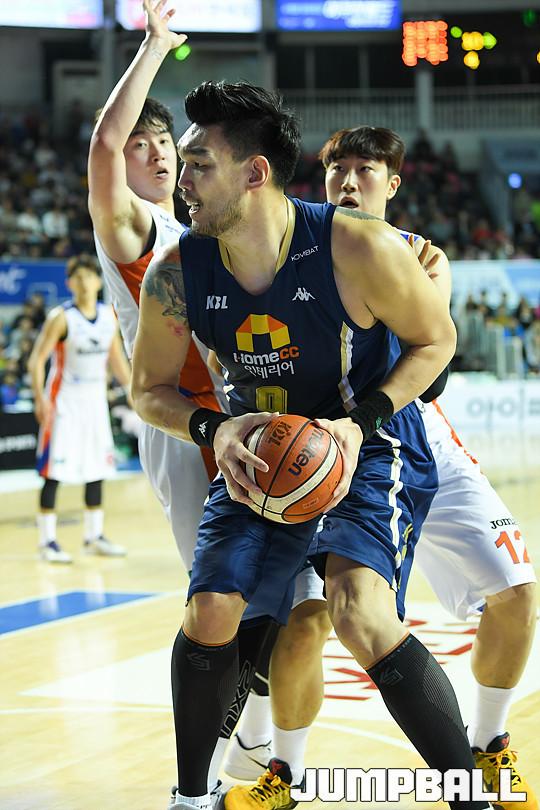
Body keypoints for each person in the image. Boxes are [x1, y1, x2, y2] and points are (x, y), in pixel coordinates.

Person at [130, 79, 498, 810]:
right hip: (258, 452)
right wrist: (213, 427)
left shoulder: (356, 245)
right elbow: (149, 390)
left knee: (359, 611)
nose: (182, 181)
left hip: (364, 442)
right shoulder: (176, 271)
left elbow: (436, 341)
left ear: (255, 172)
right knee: (210, 611)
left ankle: (469, 796)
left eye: (199, 164)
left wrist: (361, 423)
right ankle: (192, 797)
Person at [229, 126, 538, 810]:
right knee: (308, 618)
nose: (348, 180)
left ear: (392, 184)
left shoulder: (421, 255)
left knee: (518, 592)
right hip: (323, 448)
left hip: (415, 436)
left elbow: (433, 379)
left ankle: (487, 747)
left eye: (365, 170)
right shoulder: (294, 252)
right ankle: (285, 773)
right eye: (337, 168)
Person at [87, 0, 287, 797]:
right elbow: (104, 146)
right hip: (185, 428)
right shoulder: (132, 229)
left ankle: (252, 745)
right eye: (142, 145)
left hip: (250, 422)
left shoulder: (206, 227)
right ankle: (217, 768)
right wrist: (155, 47)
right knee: (226, 603)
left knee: (287, 598)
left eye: (165, 142)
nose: (155, 153)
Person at [28, 253, 131, 563]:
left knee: (97, 467)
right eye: (78, 277)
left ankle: (94, 536)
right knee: (54, 472)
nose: (84, 282)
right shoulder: (61, 317)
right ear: (69, 283)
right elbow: (36, 360)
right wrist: (39, 399)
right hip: (63, 403)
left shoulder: (108, 316)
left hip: (95, 403)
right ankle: (47, 541)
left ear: (99, 281)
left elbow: (116, 360)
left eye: (89, 276)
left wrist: (133, 393)